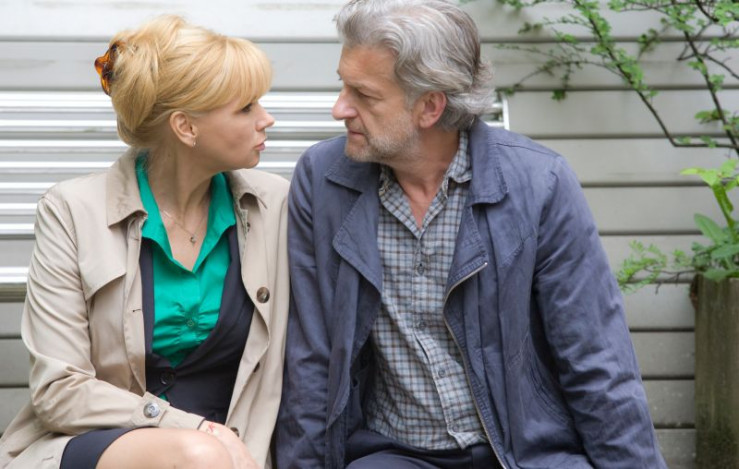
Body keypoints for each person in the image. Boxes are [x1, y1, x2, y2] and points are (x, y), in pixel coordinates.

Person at [275, 0, 666, 467]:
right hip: (394, 453)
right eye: (343, 85)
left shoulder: (539, 183)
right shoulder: (324, 181)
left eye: (364, 95)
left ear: (430, 106)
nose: (340, 108)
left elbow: (596, 357)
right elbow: (312, 359)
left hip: (527, 453)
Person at [0, 15, 289, 469]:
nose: (266, 119)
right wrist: (190, 428)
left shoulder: (277, 204)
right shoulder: (72, 210)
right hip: (104, 440)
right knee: (200, 457)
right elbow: (59, 391)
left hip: (237, 445)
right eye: (246, 107)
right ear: (185, 127)